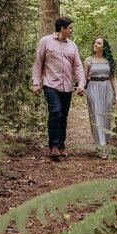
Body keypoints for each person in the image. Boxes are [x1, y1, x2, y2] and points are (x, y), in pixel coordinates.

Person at [32, 17, 86, 161]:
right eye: (70, 28)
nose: (72, 30)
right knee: (55, 111)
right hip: (51, 84)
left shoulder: (72, 45)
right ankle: (53, 146)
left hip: (67, 86)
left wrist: (81, 83)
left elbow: (78, 66)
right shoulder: (45, 41)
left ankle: (61, 146)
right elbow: (38, 62)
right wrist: (36, 82)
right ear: (62, 28)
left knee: (63, 116)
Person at [84, 36, 117, 152]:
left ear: (104, 47)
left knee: (106, 117)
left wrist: (116, 95)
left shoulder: (108, 60)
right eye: (95, 43)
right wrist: (80, 88)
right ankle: (101, 146)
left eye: (98, 43)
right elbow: (84, 79)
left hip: (107, 89)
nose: (95, 44)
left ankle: (105, 142)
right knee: (97, 116)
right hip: (93, 88)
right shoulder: (88, 60)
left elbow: (113, 78)